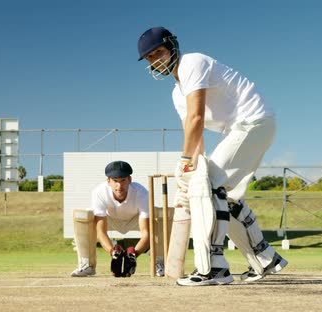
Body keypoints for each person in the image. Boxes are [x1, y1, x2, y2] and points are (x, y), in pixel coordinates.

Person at [137, 26, 288, 286]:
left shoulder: (191, 63)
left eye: (158, 52)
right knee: (223, 196)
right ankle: (265, 258)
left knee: (208, 189)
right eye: (150, 58)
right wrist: (191, 166)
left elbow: (197, 118)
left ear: (172, 46)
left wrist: (185, 162)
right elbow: (193, 133)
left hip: (253, 121)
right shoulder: (177, 92)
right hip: (242, 128)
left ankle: (214, 268)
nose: (156, 60)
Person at [70, 160, 159, 277]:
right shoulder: (99, 192)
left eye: (123, 181)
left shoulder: (141, 192)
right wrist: (113, 253)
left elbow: (146, 232)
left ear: (130, 180)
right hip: (110, 219)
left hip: (134, 220)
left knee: (159, 217)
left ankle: (160, 262)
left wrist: (133, 256)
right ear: (108, 181)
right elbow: (101, 232)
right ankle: (87, 265)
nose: (119, 186)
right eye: (115, 181)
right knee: (84, 217)